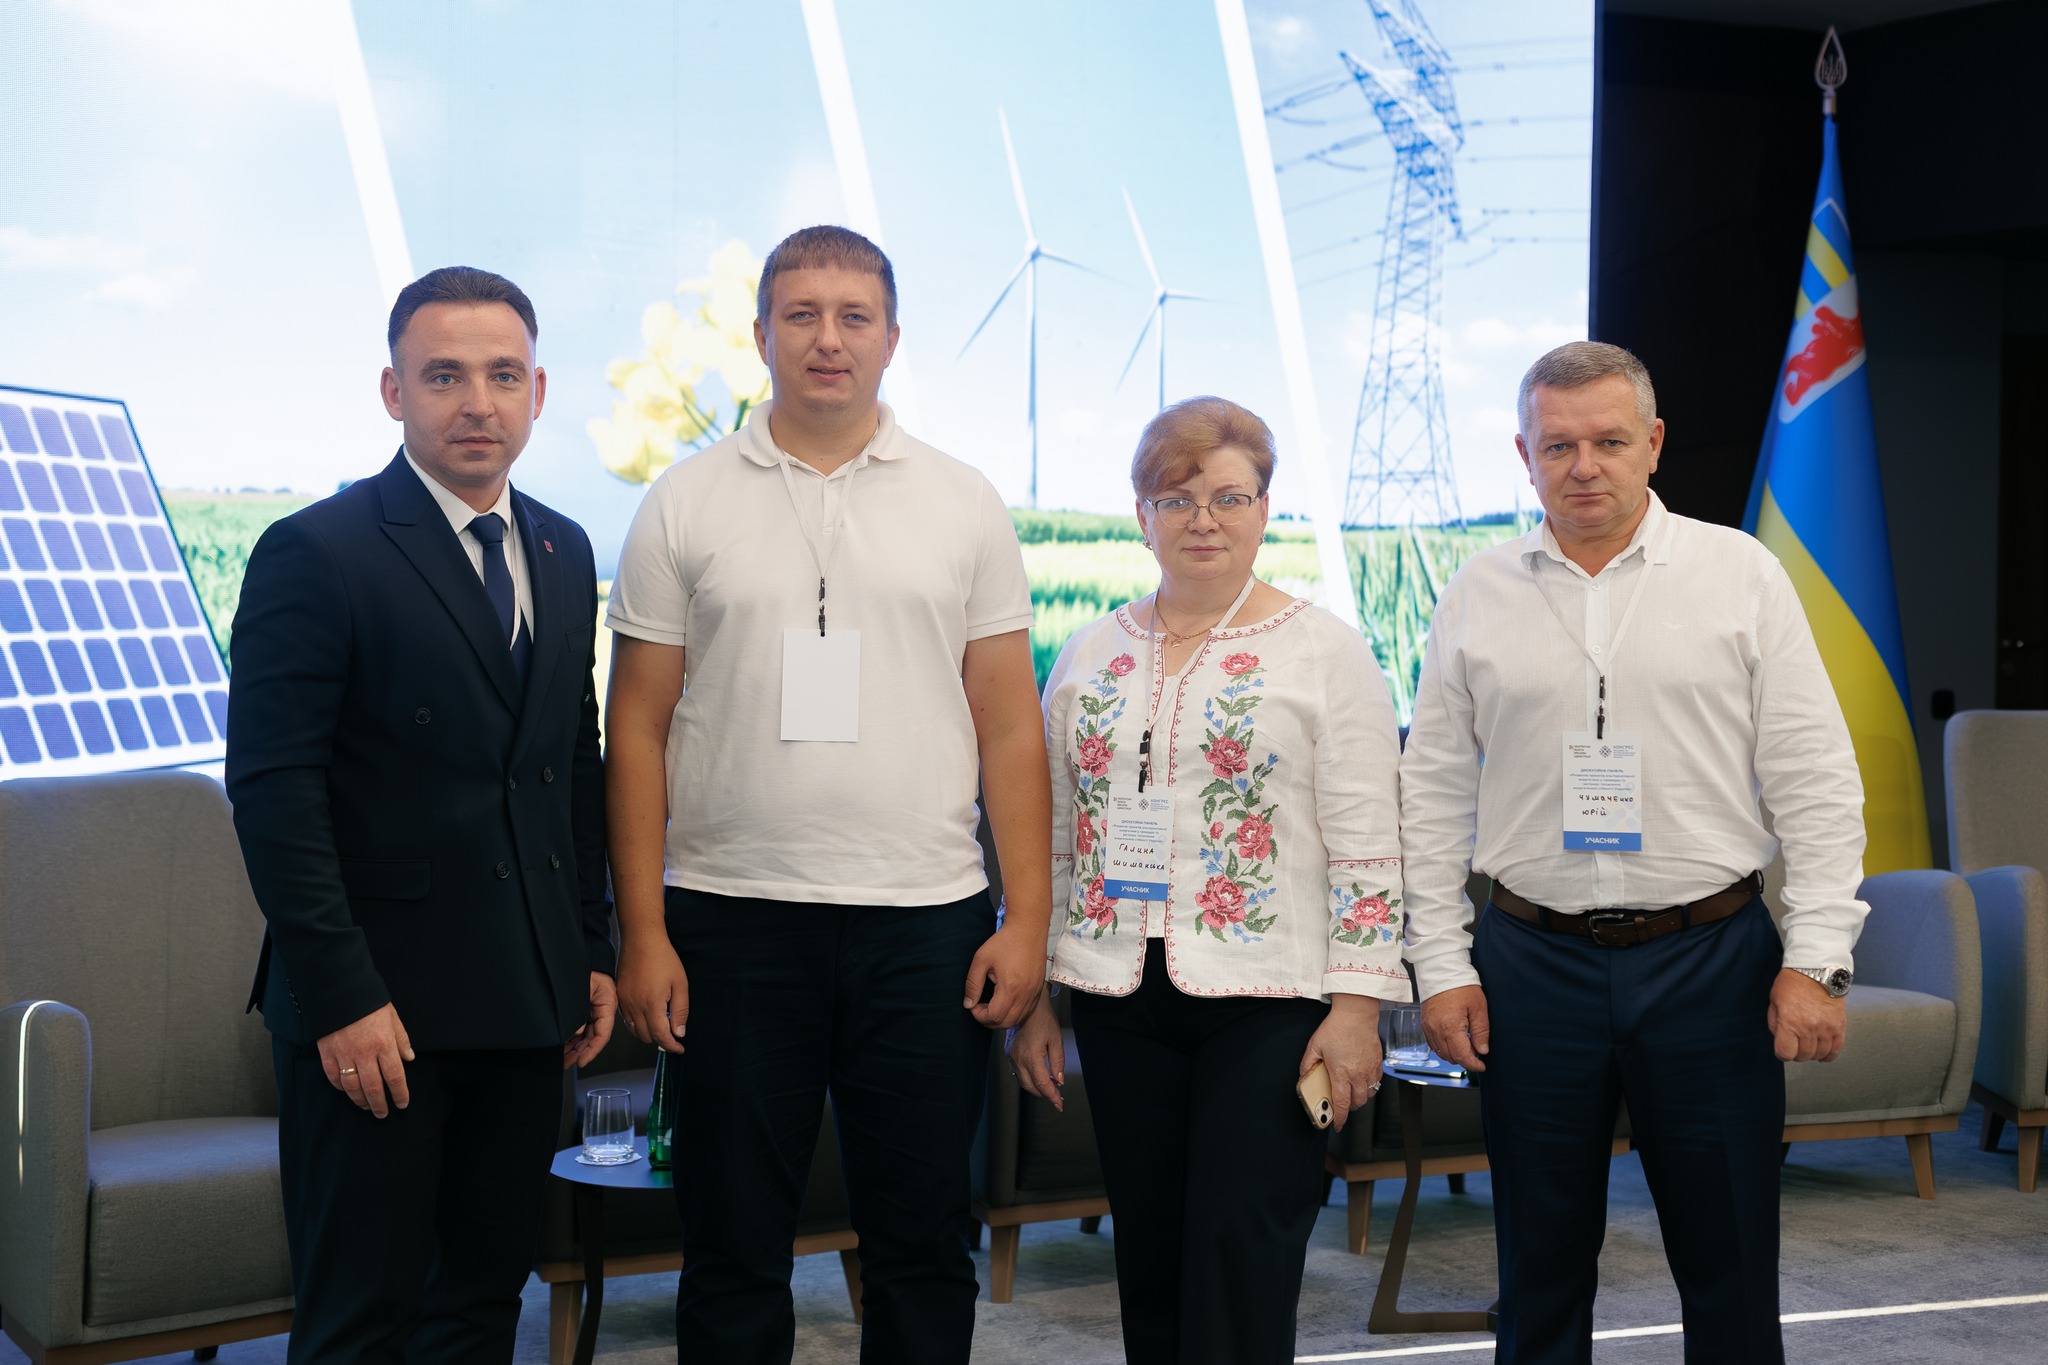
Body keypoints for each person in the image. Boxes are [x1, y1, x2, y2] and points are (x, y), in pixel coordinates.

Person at [603, 224, 1052, 1364]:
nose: (827, 338)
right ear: (760, 334)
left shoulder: (963, 501)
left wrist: (1028, 920)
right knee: (730, 1246)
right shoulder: (684, 501)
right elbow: (636, 727)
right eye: (800, 314)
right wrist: (644, 932)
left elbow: (1009, 724)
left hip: (925, 923)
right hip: (729, 918)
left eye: (855, 316)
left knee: (922, 1244)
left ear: (893, 338)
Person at [1401, 341, 1867, 1364]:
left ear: (1652, 443)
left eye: (1609, 441)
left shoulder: (1741, 574)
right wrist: (1439, 965)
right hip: (1530, 967)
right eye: (1556, 446)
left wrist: (1818, 958)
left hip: (1711, 963)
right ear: (1522, 455)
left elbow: (1816, 780)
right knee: (1537, 1267)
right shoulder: (1476, 591)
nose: (1584, 467)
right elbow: (1429, 795)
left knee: (1728, 1259)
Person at [226, 266, 615, 1362]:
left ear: (538, 391)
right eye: (444, 376)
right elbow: (274, 791)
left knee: (484, 1305)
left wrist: (589, 946)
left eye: (503, 375)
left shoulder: (564, 548)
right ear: (394, 392)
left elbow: (570, 764)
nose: (477, 403)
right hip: (377, 1011)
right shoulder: (319, 549)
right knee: (361, 1321)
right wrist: (343, 996)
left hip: (525, 998)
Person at [1007, 396, 1408, 1365]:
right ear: (1141, 515)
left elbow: (1368, 840)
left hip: (1271, 1003)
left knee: (1239, 1251)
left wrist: (1358, 1006)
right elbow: (1057, 837)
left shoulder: (1324, 650)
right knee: (1149, 1254)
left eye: (1229, 497)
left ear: (1264, 509)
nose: (1203, 520)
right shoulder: (1090, 654)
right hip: (1116, 995)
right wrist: (1040, 1000)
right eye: (1176, 498)